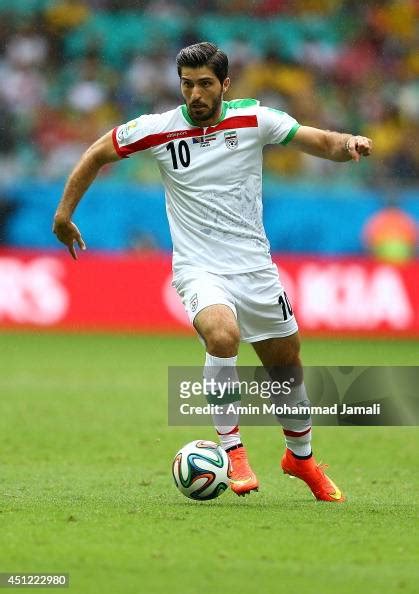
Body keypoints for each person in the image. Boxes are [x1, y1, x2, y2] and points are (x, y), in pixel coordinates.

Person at [53, 42, 372, 501]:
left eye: (205, 84)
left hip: (255, 268)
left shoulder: (254, 119)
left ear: (225, 84)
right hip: (198, 267)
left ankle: (300, 458)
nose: (195, 94)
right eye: (187, 85)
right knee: (222, 336)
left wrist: (350, 144)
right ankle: (232, 450)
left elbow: (321, 142)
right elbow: (98, 152)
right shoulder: (158, 129)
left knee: (285, 369)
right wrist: (64, 215)